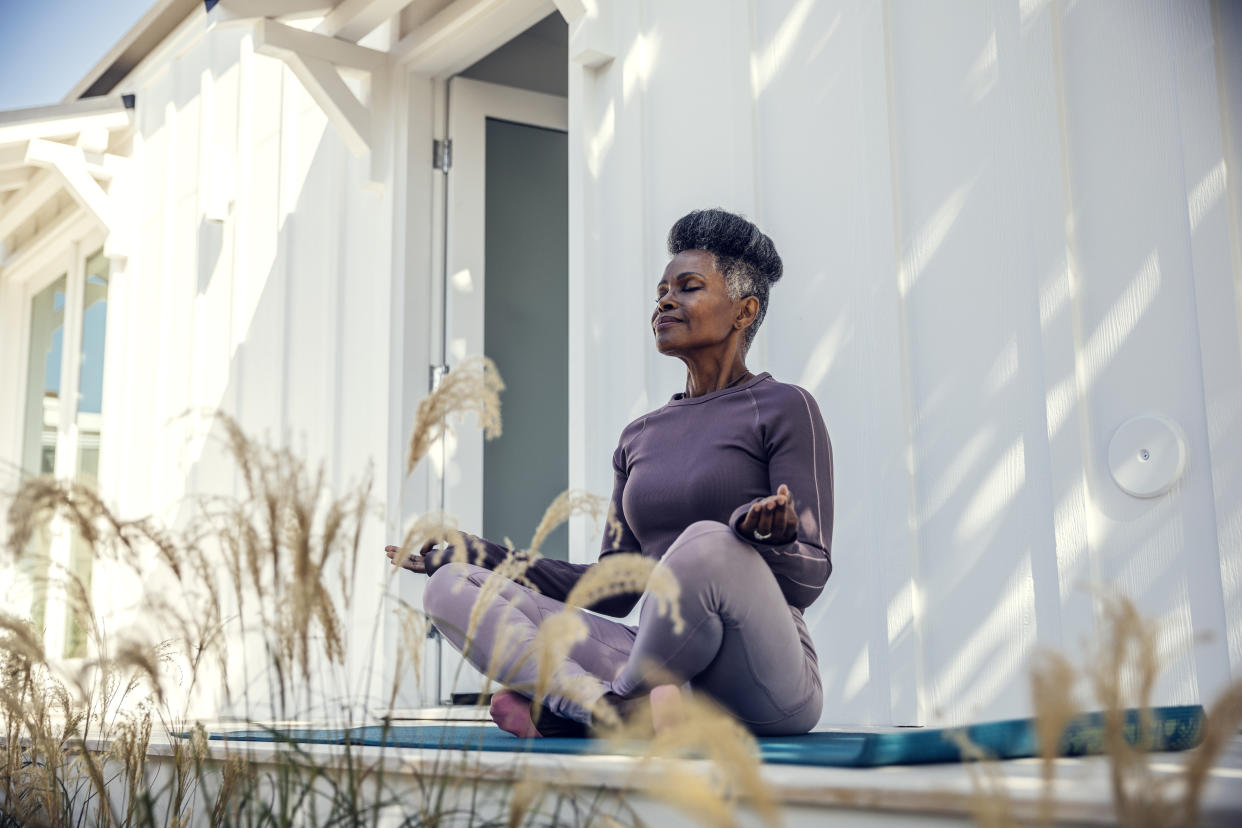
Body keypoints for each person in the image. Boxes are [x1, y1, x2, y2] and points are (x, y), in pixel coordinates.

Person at [385, 208, 833, 739]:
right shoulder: (640, 436)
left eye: (688, 287)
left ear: (744, 311)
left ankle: (603, 707)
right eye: (661, 291)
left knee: (707, 542)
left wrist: (771, 539)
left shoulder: (784, 407)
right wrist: (478, 553)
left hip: (764, 681)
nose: (665, 301)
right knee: (451, 587)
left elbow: (810, 577)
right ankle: (607, 707)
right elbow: (613, 588)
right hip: (663, 669)